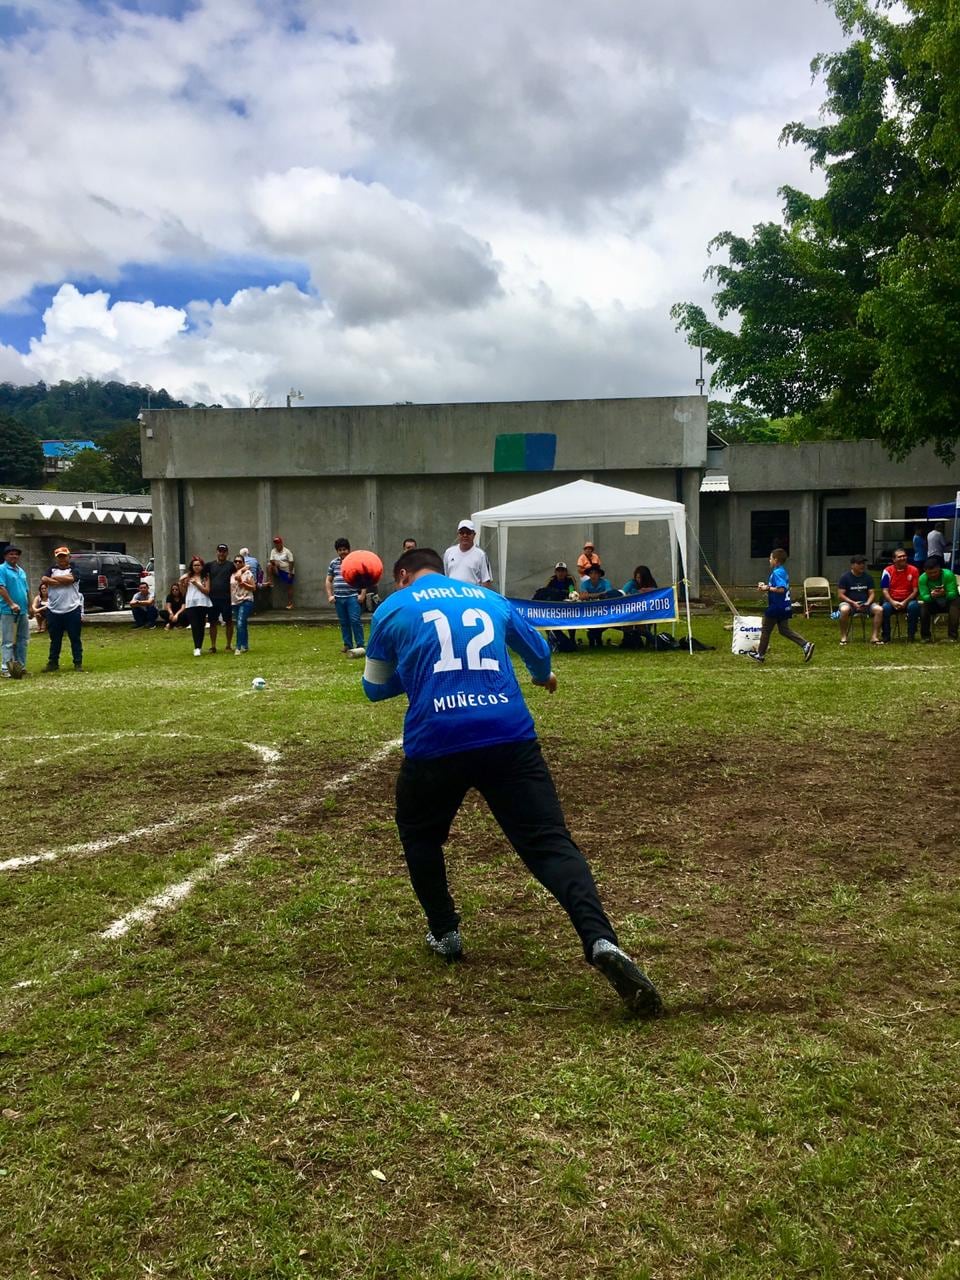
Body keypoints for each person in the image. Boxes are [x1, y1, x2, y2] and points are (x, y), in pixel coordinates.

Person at [360, 546, 662, 1016]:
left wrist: (417, 667)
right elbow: (537, 650)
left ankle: (445, 931)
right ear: (443, 570)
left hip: (437, 740)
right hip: (508, 734)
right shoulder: (490, 599)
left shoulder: (393, 608)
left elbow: (374, 688)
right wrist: (543, 677)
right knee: (550, 844)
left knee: (420, 834)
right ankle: (601, 940)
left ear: (402, 575)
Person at [749, 548, 814, 665]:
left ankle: (760, 655)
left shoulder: (777, 573)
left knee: (766, 630)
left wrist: (768, 588)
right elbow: (777, 586)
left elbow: (781, 589)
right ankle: (806, 645)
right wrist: (765, 587)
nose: (769, 560)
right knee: (784, 630)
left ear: (776, 560)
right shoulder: (782, 571)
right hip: (784, 606)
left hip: (776, 606)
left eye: (770, 558)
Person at [42, 546, 84, 673]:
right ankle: (53, 663)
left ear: (69, 557)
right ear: (56, 558)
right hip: (54, 610)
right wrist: (63, 580)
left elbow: (71, 579)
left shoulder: (74, 569)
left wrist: (54, 579)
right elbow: (44, 579)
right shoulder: (51, 569)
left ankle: (78, 663)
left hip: (72, 609)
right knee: (55, 639)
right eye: (59, 557)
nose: (62, 559)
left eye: (64, 556)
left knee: (75, 638)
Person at [326, 537, 366, 654]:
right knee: (344, 622)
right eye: (340, 550)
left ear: (349, 549)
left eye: (344, 549)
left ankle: (360, 645)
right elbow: (328, 580)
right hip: (339, 598)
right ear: (337, 551)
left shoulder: (355, 562)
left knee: (355, 621)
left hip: (352, 597)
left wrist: (362, 594)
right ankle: (347, 644)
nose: (342, 552)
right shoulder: (334, 563)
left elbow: (364, 579)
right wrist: (330, 595)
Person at [837, 554, 883, 645]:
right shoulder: (845, 577)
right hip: (849, 603)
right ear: (852, 565)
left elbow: (872, 593)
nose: (862, 565)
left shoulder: (868, 577)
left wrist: (868, 603)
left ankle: (874, 637)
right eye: (859, 563)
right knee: (844, 609)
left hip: (865, 603)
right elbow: (840, 595)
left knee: (879, 609)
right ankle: (843, 636)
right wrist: (852, 603)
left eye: (863, 563)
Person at [0, 544, 30, 679]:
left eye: (16, 554)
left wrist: (31, 606)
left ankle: (20, 667)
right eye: (11, 554)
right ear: (5, 556)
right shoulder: (2, 569)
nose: (14, 556)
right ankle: (6, 668)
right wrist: (11, 604)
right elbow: (1, 588)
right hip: (8, 611)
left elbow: (26, 590)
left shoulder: (21, 570)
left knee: (22, 639)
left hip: (22, 611)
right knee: (8, 641)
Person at [880, 548, 920, 642]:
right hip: (892, 600)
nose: (903, 558)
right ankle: (886, 636)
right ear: (894, 559)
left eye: (904, 556)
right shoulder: (887, 571)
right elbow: (885, 590)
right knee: (885, 608)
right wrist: (893, 602)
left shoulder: (913, 570)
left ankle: (911, 635)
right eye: (899, 557)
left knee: (913, 607)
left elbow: (915, 591)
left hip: (908, 600)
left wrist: (905, 602)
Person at [918, 556, 959, 642]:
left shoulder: (948, 574)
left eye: (935, 572)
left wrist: (945, 593)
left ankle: (952, 637)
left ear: (939, 569)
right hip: (933, 602)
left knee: (955, 603)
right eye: (930, 573)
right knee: (923, 607)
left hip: (948, 602)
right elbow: (923, 596)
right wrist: (931, 596)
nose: (933, 575)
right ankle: (926, 637)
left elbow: (953, 594)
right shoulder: (922, 578)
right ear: (925, 571)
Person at [203, 543, 235, 653]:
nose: (222, 553)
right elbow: (199, 574)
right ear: (216, 552)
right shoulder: (209, 565)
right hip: (213, 598)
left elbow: (238, 575)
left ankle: (228, 645)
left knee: (229, 621)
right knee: (212, 622)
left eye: (224, 551)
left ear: (227, 553)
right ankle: (213, 646)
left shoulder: (231, 566)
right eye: (220, 551)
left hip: (227, 598)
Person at [443, 520, 493, 587]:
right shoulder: (448, 553)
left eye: (468, 532)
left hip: (472, 593)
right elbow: (445, 577)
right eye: (462, 533)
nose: (465, 535)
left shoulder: (481, 555)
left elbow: (486, 582)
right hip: (453, 592)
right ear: (458, 534)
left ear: (474, 534)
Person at [621, 565, 658, 649]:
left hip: (647, 611)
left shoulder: (651, 583)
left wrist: (647, 590)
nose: (638, 580)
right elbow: (623, 592)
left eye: (640, 578)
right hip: (631, 611)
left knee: (644, 628)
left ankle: (651, 641)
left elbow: (656, 592)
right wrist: (637, 592)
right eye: (637, 577)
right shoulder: (632, 583)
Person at [181, 556, 212, 657]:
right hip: (191, 603)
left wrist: (196, 584)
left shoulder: (205, 576)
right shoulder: (188, 577)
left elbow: (207, 591)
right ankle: (196, 647)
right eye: (194, 565)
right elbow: (183, 592)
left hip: (202, 602)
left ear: (202, 566)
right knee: (194, 625)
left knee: (201, 625)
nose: (196, 567)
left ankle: (199, 646)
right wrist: (182, 583)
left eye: (198, 565)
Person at [579, 563, 613, 648]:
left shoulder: (605, 582)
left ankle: (594, 634)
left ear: (600, 574)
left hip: (604, 610)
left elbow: (609, 593)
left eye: (596, 573)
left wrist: (590, 595)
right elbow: (583, 596)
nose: (593, 575)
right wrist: (600, 594)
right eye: (591, 573)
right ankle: (595, 635)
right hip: (589, 610)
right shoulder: (584, 584)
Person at [230, 554, 257, 654]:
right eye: (236, 561)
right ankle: (245, 645)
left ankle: (238, 647)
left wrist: (243, 583)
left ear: (243, 563)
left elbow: (253, 587)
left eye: (240, 561)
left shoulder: (247, 573)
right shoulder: (232, 574)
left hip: (246, 600)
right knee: (242, 623)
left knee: (240, 623)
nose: (237, 563)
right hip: (235, 601)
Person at [268, 535, 296, 609]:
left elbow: (291, 562)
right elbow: (271, 560)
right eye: (275, 543)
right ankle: (271, 581)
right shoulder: (273, 551)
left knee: (289, 586)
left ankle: (290, 603)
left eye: (278, 543)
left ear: (281, 543)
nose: (276, 545)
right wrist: (275, 564)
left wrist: (290, 573)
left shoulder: (287, 551)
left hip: (287, 571)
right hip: (278, 569)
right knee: (269, 565)